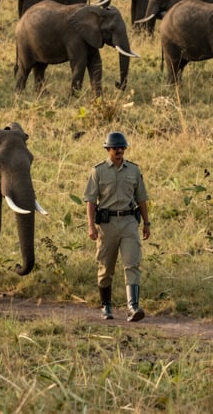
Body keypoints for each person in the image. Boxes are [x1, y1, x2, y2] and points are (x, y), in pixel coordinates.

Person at [84, 130, 150, 321]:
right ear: (108, 149)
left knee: (132, 263)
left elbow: (142, 199)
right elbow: (90, 201)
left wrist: (146, 223)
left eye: (122, 147)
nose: (119, 150)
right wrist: (91, 226)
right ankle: (106, 306)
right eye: (115, 148)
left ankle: (133, 307)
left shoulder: (134, 171)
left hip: (129, 222)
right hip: (107, 224)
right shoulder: (98, 171)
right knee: (106, 267)